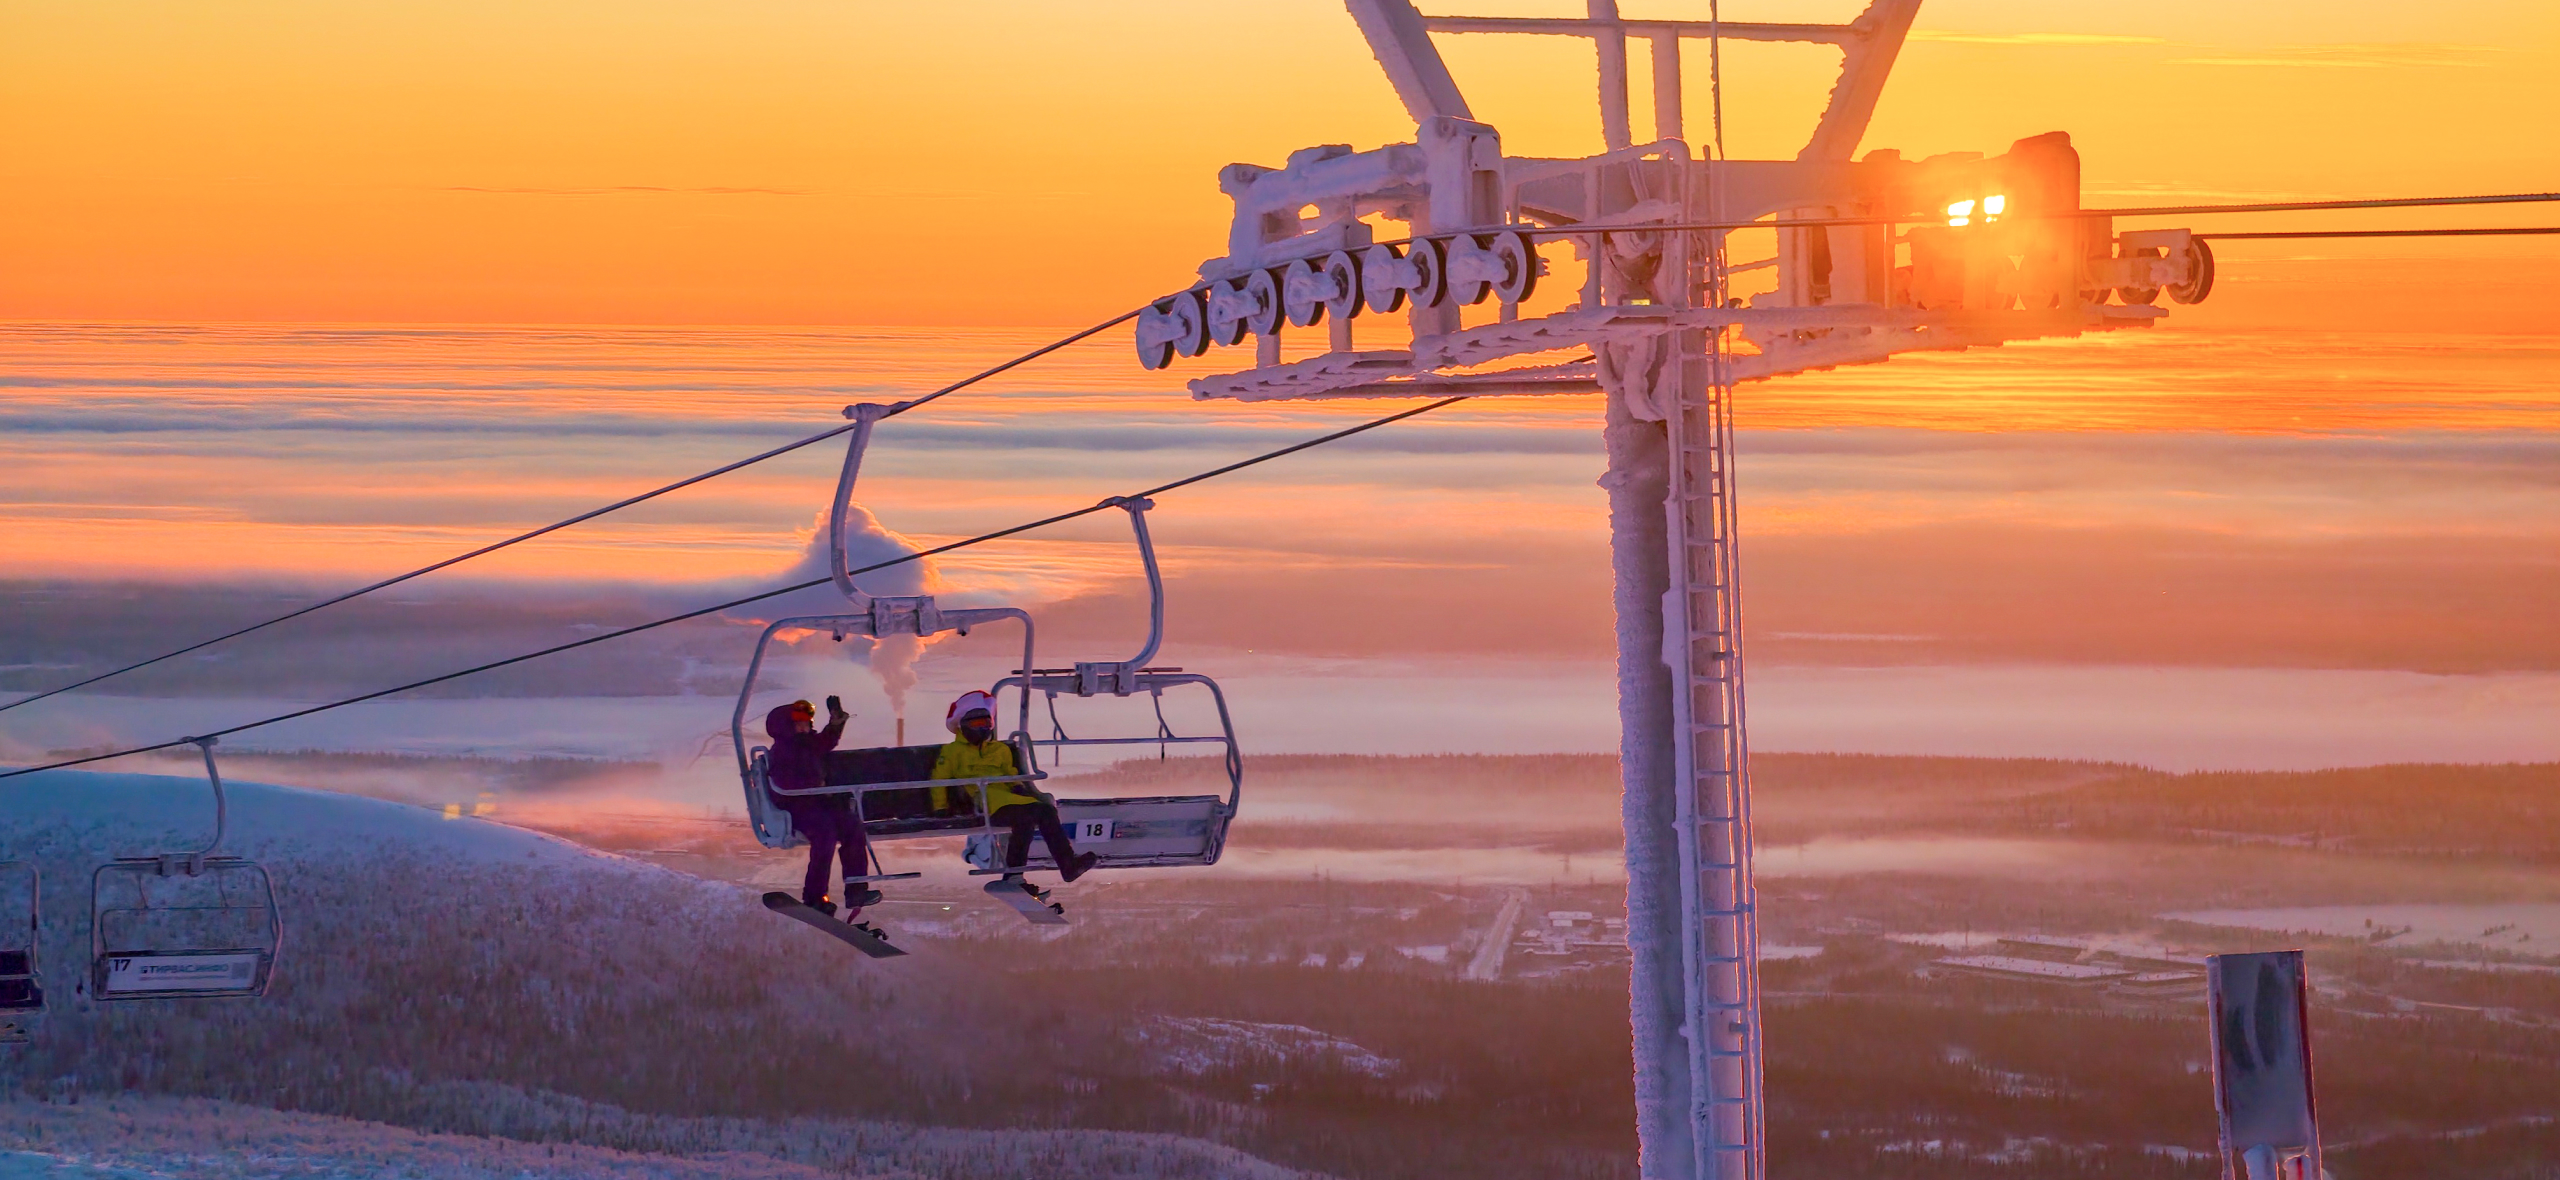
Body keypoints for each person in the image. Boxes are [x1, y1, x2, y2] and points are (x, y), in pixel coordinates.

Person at [932, 690, 1097, 883]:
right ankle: (1058, 867)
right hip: (984, 802)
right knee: (1034, 815)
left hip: (1009, 798)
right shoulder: (953, 752)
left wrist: (1018, 785)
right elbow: (939, 779)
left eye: (986, 723)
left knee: (1040, 813)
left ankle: (1024, 873)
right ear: (964, 726)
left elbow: (1010, 772)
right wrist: (940, 807)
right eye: (976, 724)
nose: (982, 728)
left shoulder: (1000, 749)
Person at [764, 695, 884, 924]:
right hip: (795, 808)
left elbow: (826, 741)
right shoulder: (782, 751)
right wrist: (814, 786)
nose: (805, 726)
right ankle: (815, 896)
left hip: (817, 803)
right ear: (785, 726)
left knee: (852, 827)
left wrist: (836, 723)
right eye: (798, 722)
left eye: (807, 722)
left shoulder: (808, 745)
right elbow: (783, 783)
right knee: (825, 834)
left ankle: (856, 888)